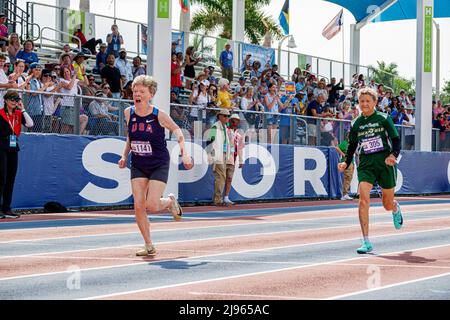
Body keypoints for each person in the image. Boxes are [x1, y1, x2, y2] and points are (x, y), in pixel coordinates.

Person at [118, 75, 192, 256]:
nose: (137, 94)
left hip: (158, 163)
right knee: (138, 205)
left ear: (150, 94)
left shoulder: (158, 115)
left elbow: (177, 130)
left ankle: (170, 202)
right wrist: (124, 155)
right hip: (138, 163)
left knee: (152, 205)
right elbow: (131, 136)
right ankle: (148, 244)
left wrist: (185, 152)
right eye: (135, 91)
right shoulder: (129, 113)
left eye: (142, 92)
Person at [338, 87, 403, 254]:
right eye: (362, 101)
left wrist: (393, 155)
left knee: (386, 204)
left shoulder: (384, 118)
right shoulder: (356, 123)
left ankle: (395, 207)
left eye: (368, 101)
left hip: (385, 163)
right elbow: (352, 145)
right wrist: (346, 162)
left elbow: (395, 139)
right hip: (366, 164)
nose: (364, 104)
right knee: (363, 200)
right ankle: (366, 241)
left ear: (375, 102)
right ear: (358, 104)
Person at [0, 90, 34, 219]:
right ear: (6, 100)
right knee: (1, 177)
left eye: (16, 100)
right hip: (1, 146)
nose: (14, 102)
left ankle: (7, 208)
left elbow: (30, 124)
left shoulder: (19, 114)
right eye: (12, 100)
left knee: (10, 179)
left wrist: (23, 110)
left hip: (13, 147)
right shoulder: (0, 113)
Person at [207, 109, 231, 206]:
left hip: (223, 154)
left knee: (221, 177)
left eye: (227, 116)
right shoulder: (215, 127)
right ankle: (217, 200)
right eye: (224, 116)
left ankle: (218, 199)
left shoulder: (224, 126)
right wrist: (209, 154)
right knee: (221, 176)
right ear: (219, 116)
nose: (226, 118)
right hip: (217, 154)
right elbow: (209, 140)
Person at [223, 113, 244, 205]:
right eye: (233, 120)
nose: (235, 122)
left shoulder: (239, 135)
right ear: (230, 121)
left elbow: (240, 149)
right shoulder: (225, 131)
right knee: (220, 179)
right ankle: (218, 197)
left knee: (229, 178)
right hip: (223, 158)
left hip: (232, 159)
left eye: (236, 121)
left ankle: (226, 197)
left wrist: (241, 160)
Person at [336, 131, 355, 200]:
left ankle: (345, 193)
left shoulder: (351, 143)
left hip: (351, 162)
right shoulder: (344, 143)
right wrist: (343, 155)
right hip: (346, 162)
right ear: (347, 136)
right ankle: (345, 194)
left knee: (349, 177)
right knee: (348, 177)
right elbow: (337, 147)